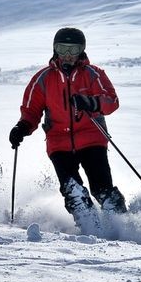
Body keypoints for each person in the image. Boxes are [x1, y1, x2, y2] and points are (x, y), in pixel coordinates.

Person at [9, 27, 127, 236]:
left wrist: (90, 102)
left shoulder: (93, 74)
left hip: (92, 139)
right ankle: (92, 233)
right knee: (73, 191)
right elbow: (31, 111)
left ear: (82, 50)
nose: (68, 55)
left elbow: (112, 101)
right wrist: (22, 128)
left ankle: (123, 227)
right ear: (54, 49)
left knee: (102, 189)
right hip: (59, 143)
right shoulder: (43, 79)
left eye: (73, 49)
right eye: (62, 48)